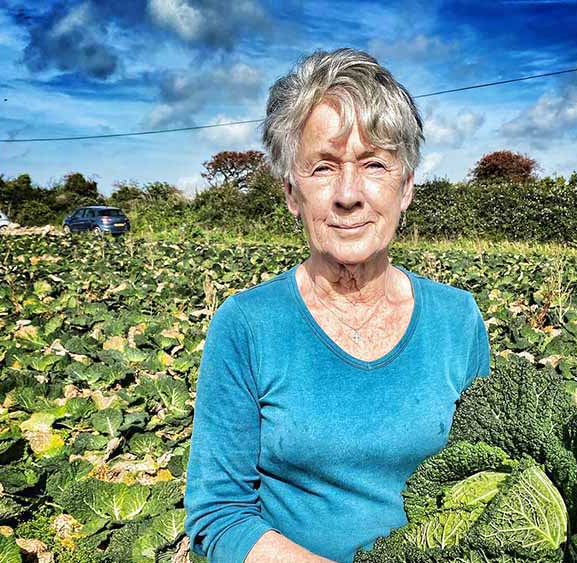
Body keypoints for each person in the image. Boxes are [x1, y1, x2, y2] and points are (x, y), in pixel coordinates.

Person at [184, 48, 491, 563]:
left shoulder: (458, 320)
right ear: (290, 192)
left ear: (406, 186)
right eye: (323, 167)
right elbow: (219, 514)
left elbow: (490, 474)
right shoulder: (246, 326)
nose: (348, 193)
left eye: (374, 164)